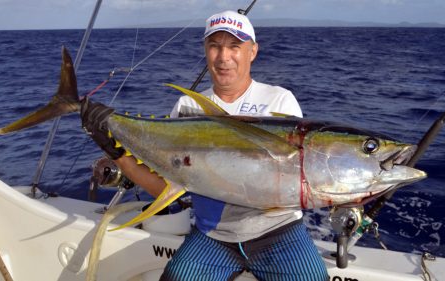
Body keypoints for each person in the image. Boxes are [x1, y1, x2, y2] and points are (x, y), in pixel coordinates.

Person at [81, 10, 329, 281]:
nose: (224, 58)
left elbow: (298, 177)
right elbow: (166, 187)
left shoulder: (280, 101)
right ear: (205, 50)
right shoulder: (188, 107)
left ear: (253, 51)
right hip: (213, 236)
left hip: (280, 233)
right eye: (215, 46)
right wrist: (114, 151)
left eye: (235, 46)